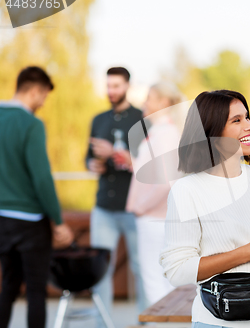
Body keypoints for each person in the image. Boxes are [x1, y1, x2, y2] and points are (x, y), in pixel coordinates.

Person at [159, 90, 250, 328]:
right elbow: (176, 271)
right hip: (216, 322)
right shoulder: (187, 190)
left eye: (247, 117)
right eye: (237, 120)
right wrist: (249, 253)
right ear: (212, 133)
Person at [0, 66, 74, 328]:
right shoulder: (31, 123)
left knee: (7, 285)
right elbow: (41, 178)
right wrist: (58, 221)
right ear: (34, 90)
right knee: (35, 292)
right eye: (43, 96)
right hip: (30, 222)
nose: (43, 103)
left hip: (2, 219)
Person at [85, 67, 146, 323]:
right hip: (104, 208)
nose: (111, 91)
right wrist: (92, 164)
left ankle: (147, 321)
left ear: (127, 86)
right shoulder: (98, 119)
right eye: (108, 86)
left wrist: (113, 153)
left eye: (117, 86)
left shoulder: (143, 119)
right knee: (100, 271)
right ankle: (103, 324)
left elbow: (150, 164)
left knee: (141, 269)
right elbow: (87, 157)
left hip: (135, 208)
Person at [125, 82, 185, 306]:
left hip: (154, 216)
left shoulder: (163, 133)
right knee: (164, 278)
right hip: (161, 215)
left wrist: (141, 207)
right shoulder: (165, 132)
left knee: (154, 278)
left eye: (149, 97)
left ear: (164, 103)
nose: (144, 102)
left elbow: (165, 182)